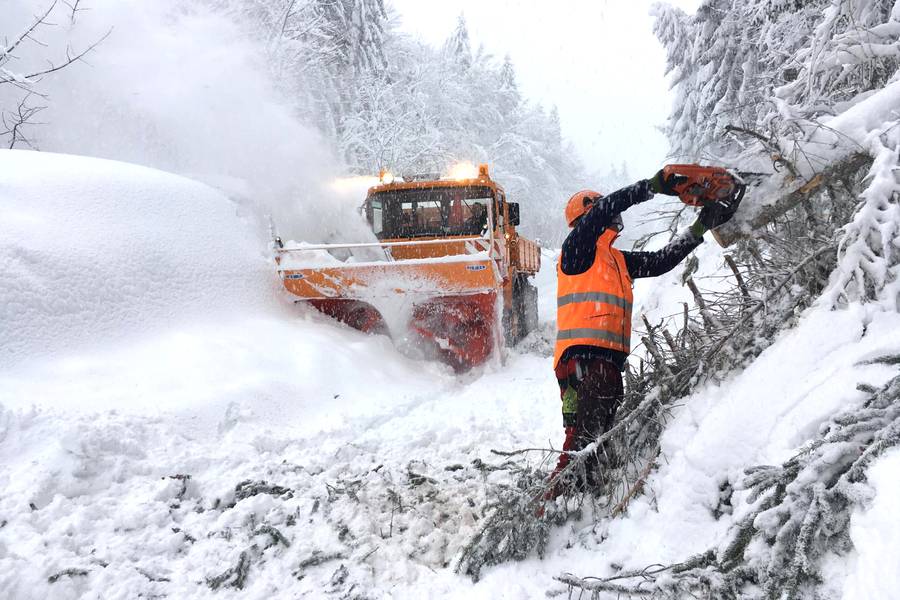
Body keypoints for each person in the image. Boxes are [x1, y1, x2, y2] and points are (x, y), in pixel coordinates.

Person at [548, 169, 735, 495]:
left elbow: (661, 261)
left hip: (600, 358)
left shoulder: (615, 260)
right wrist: (651, 186)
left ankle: (581, 491)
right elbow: (603, 212)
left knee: (595, 429)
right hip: (584, 358)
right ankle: (558, 496)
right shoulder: (578, 249)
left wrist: (700, 227)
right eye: (607, 211)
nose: (614, 215)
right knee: (585, 433)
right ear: (589, 216)